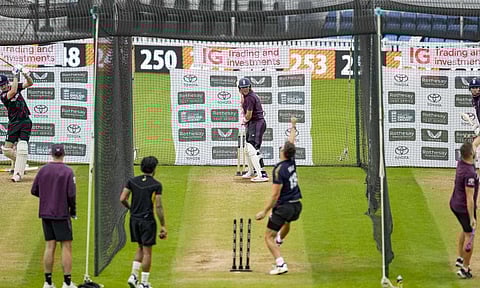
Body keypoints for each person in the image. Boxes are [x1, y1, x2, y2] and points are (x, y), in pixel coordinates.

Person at [255, 117, 302, 275]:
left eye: (282, 147)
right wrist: (293, 126)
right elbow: (292, 143)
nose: (281, 148)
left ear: (283, 153)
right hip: (296, 206)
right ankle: (280, 241)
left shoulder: (279, 169)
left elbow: (275, 195)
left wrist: (264, 211)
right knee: (285, 224)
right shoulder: (292, 161)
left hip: (284, 206)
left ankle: (281, 264)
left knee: (268, 236)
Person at [31, 144, 77, 288]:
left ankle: (48, 282)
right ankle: (67, 282)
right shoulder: (68, 172)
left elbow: (34, 190)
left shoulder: (43, 170)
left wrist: (46, 197)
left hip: (46, 213)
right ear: (63, 154)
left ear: (51, 154)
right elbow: (71, 194)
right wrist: (73, 210)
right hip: (61, 213)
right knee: (66, 246)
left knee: (50, 246)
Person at [120, 156, 167, 288]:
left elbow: (123, 198)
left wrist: (131, 208)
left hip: (134, 219)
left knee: (140, 247)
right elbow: (158, 206)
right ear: (154, 169)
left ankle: (133, 276)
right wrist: (163, 225)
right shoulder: (156, 185)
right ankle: (144, 283)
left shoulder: (132, 181)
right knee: (147, 252)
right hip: (147, 221)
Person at [450, 134, 480, 279]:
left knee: (464, 229)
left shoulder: (462, 162)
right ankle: (465, 269)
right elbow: (469, 198)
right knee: (469, 234)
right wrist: (472, 217)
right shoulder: (470, 173)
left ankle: (460, 258)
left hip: (454, 203)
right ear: (471, 155)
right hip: (463, 207)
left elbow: (474, 145)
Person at [0, 64, 34, 182]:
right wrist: (16, 74)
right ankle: (22, 162)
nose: (3, 87)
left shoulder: (16, 86)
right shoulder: (3, 95)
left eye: (4, 84)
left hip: (25, 121)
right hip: (13, 123)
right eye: (1, 86)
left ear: (7, 82)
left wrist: (26, 74)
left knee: (22, 147)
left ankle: (17, 174)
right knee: (6, 150)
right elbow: (13, 91)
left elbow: (30, 83)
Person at [238, 77, 268, 182]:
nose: (245, 89)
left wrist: (244, 120)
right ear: (239, 88)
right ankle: (251, 171)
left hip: (257, 124)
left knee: (253, 149)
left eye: (246, 87)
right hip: (253, 124)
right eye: (243, 87)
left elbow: (249, 115)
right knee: (247, 150)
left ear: (249, 87)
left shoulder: (250, 97)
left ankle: (262, 175)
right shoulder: (246, 97)